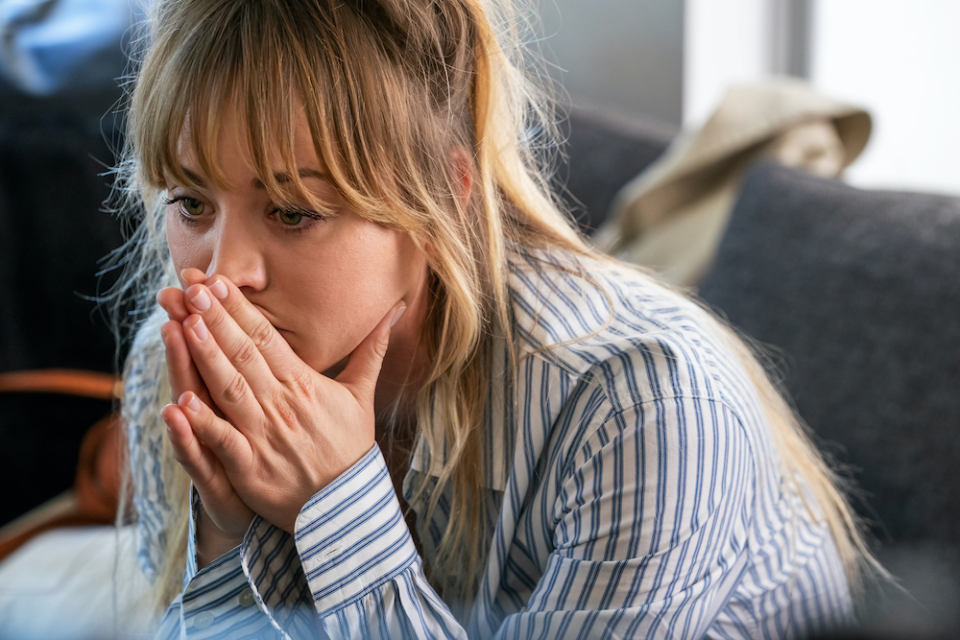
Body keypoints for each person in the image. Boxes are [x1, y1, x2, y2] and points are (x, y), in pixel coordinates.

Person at [113, 0, 879, 638]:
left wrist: (338, 506)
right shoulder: (170, 365)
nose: (218, 276)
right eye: (191, 203)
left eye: (292, 210)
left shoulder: (644, 412)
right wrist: (229, 533)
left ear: (445, 195)